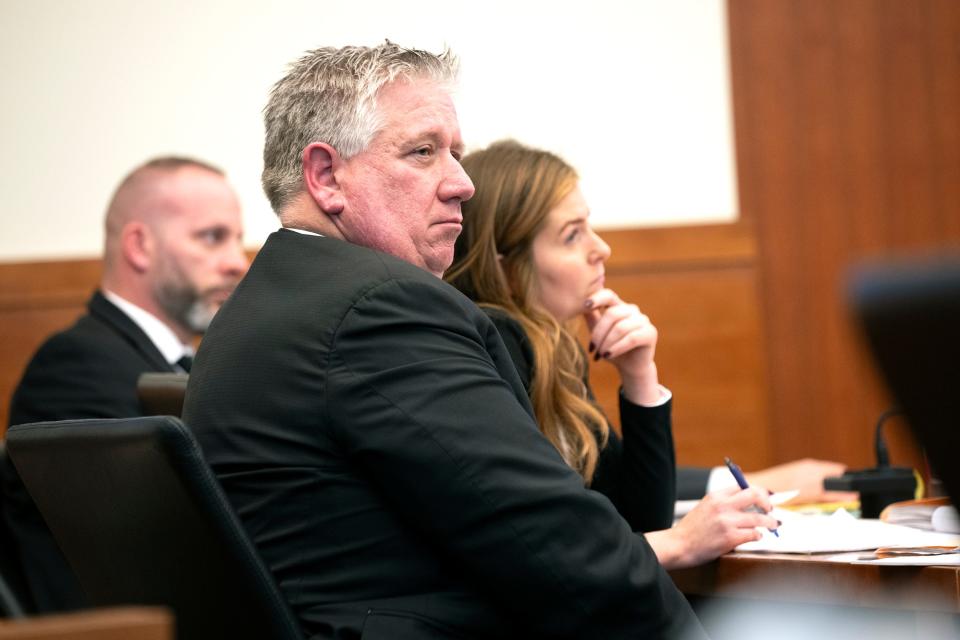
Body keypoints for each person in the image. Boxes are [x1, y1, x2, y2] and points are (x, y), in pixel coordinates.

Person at [182, 43, 776, 639]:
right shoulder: (381, 309)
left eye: (456, 155)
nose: (462, 184)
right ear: (326, 176)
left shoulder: (257, 307)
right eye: (423, 152)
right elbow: (558, 545)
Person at [445, 139, 852, 513]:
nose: (601, 249)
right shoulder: (504, 339)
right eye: (572, 236)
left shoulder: (556, 349)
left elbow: (641, 512)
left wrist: (640, 377)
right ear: (507, 267)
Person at [2, 156, 248, 612]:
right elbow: (175, 538)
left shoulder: (183, 362)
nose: (237, 262)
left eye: (236, 239)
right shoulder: (76, 366)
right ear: (139, 246)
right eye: (212, 238)